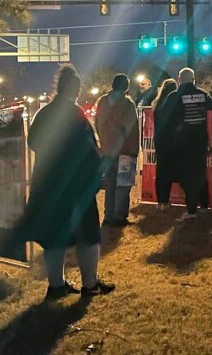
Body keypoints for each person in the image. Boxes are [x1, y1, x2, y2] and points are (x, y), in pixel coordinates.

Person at [20, 65, 114, 299]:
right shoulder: (76, 114)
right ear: (76, 89)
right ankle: (90, 284)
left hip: (48, 184)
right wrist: (97, 176)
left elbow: (32, 142)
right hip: (76, 187)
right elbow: (90, 150)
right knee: (89, 234)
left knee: (54, 236)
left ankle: (56, 285)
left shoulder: (44, 113)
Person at [169, 68, 212, 221]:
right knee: (200, 174)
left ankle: (191, 210)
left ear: (179, 79)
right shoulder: (202, 94)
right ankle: (204, 206)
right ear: (193, 79)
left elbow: (169, 115)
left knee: (187, 176)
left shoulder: (176, 96)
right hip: (200, 141)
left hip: (183, 142)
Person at [94, 74, 139, 226]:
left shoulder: (102, 101)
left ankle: (108, 216)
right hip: (125, 149)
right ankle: (119, 217)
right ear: (126, 87)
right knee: (123, 184)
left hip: (107, 149)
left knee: (110, 183)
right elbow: (130, 127)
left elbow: (96, 123)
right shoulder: (127, 103)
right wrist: (133, 148)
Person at [152, 78, 179, 210]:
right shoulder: (173, 103)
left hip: (159, 140)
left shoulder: (157, 104)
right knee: (171, 170)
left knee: (161, 170)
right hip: (172, 140)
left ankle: (161, 201)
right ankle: (169, 201)